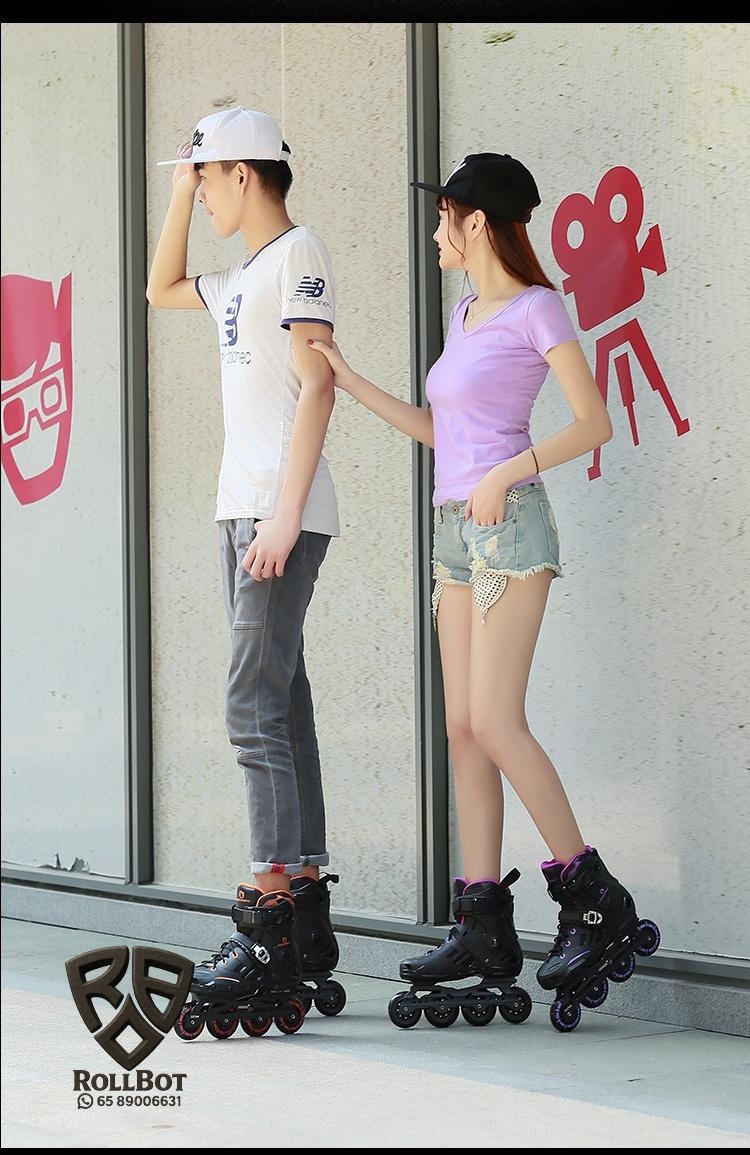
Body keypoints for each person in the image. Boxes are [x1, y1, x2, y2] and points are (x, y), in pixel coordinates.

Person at [309, 152, 659, 1033]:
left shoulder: (538, 307)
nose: (435, 229)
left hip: (512, 527)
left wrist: (509, 470)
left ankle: (595, 901)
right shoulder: (464, 313)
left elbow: (592, 421)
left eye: (444, 216)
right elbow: (444, 431)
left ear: (476, 222)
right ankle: (481, 923)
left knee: (499, 721)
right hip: (454, 532)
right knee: (464, 726)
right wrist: (350, 380)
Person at [147, 107, 345, 1038]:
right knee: (282, 696)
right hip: (245, 511)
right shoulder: (239, 278)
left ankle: (268, 910)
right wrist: (179, 189)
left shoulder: (299, 251)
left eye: (206, 178)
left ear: (244, 172)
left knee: (249, 704)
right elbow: (160, 288)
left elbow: (320, 383)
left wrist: (285, 512)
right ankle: (302, 897)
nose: (199, 196)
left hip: (277, 512)